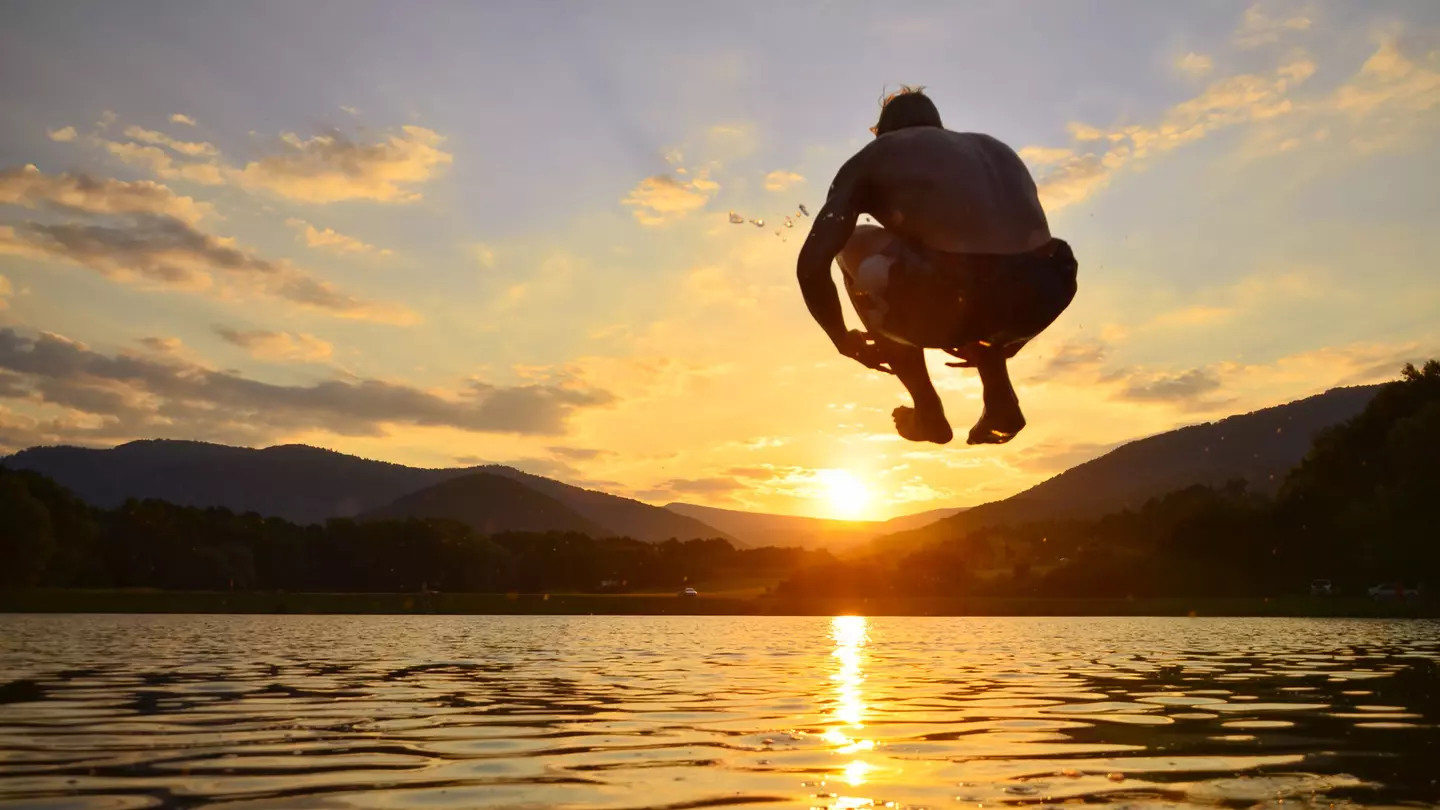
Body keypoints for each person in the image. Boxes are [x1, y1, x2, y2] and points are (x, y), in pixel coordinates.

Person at [796, 86, 1078, 445]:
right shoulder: (996, 150)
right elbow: (1010, 252)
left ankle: (926, 408)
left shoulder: (876, 154)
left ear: (882, 131)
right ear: (938, 125)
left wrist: (841, 338)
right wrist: (1012, 337)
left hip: (949, 290)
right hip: (1046, 287)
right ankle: (999, 397)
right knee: (974, 262)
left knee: (849, 242)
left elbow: (811, 264)